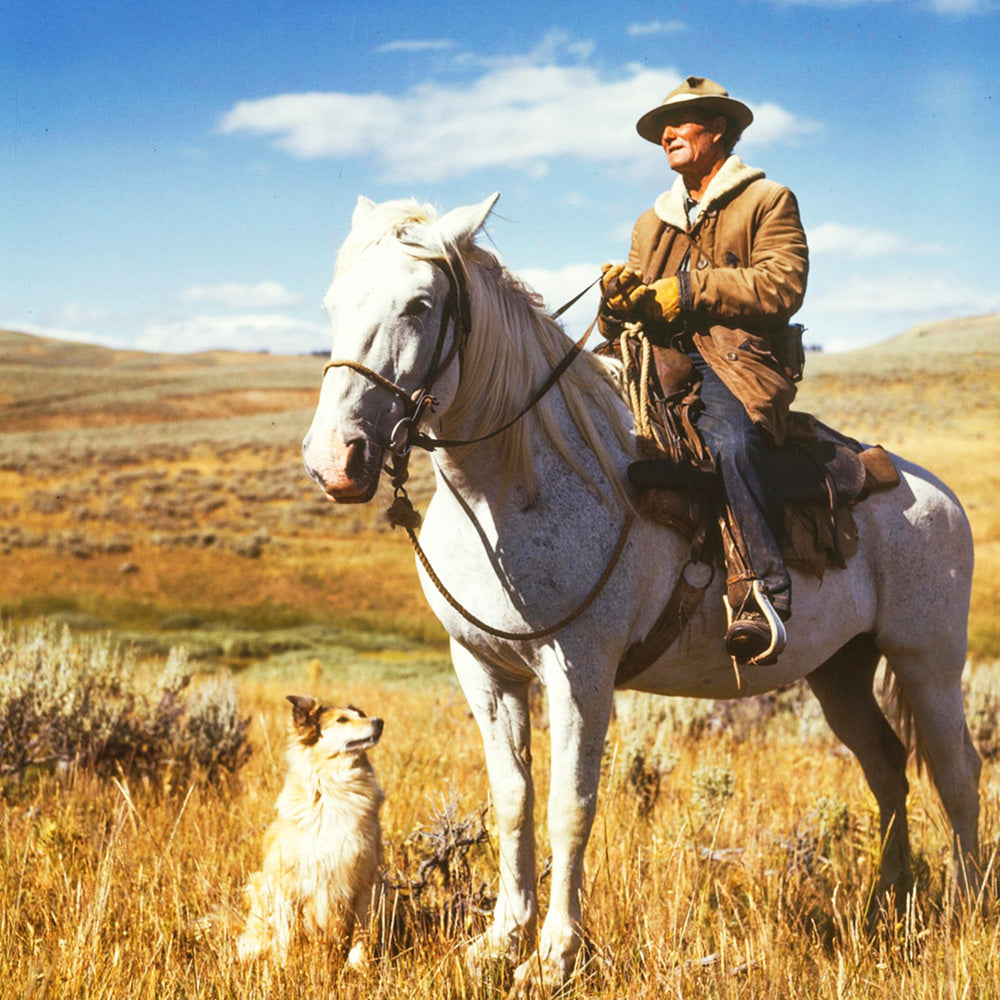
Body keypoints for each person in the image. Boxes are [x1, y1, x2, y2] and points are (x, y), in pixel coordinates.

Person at [600, 76, 809, 663]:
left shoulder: (767, 200)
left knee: (733, 442)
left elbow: (781, 284)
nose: (666, 135)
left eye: (681, 123)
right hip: (656, 359)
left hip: (736, 360)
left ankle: (759, 591)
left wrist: (688, 292)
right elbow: (640, 303)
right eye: (661, 130)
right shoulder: (652, 222)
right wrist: (617, 304)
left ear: (717, 130)